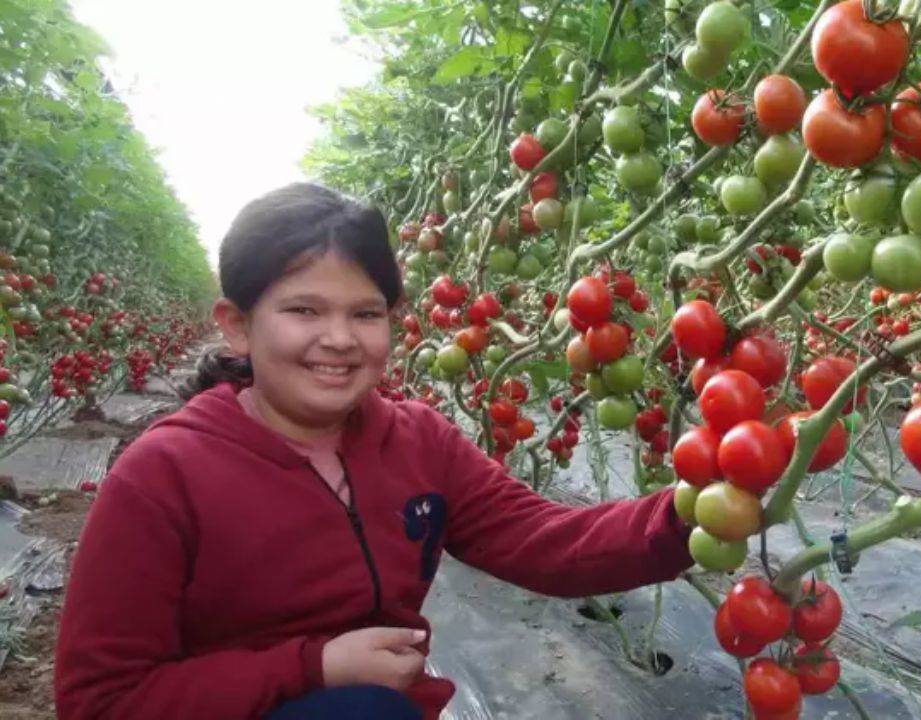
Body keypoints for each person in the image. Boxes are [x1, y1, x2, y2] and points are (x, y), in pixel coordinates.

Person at [53, 183, 694, 720]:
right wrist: (314, 669)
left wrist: (696, 507)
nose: (338, 339)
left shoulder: (417, 441)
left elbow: (546, 542)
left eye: (365, 314)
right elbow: (100, 700)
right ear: (236, 325)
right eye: (304, 310)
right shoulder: (163, 475)